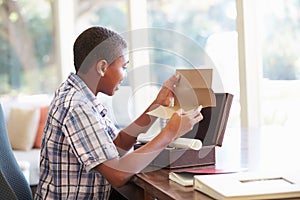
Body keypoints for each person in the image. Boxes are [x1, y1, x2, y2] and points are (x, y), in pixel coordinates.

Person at [34, 26, 203, 199]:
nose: (125, 75)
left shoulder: (81, 96)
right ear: (102, 67)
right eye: (123, 67)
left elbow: (117, 145)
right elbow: (118, 174)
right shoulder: (77, 106)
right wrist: (169, 133)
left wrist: (157, 106)